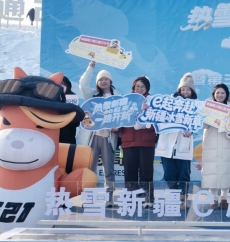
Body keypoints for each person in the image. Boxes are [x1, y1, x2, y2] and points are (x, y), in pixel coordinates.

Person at [79, 61, 119, 200]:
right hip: (92, 137)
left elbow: (121, 118)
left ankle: (109, 196)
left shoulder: (118, 97)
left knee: (109, 169)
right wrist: (90, 68)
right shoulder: (92, 95)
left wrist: (117, 127)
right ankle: (88, 196)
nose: (103, 81)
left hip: (109, 137)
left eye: (106, 79)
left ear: (110, 81)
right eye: (100, 79)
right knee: (90, 168)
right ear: (97, 82)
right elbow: (83, 84)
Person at [118, 76, 157, 206]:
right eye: (137, 86)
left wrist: (147, 114)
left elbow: (157, 123)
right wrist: (116, 127)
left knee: (146, 171)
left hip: (146, 142)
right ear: (133, 88)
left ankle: (148, 198)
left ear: (147, 88)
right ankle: (131, 198)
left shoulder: (153, 102)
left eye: (142, 86)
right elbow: (119, 120)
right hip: (128, 141)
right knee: (130, 171)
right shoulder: (126, 101)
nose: (139, 88)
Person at [157, 74, 196, 194]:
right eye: (183, 89)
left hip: (183, 145)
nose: (185, 92)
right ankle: (174, 193)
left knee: (184, 174)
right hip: (167, 144)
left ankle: (183, 196)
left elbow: (196, 123)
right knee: (169, 174)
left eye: (188, 89)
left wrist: (191, 130)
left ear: (192, 91)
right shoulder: (168, 102)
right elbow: (157, 117)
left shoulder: (196, 105)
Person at [201, 83, 230, 208]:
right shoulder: (207, 107)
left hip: (225, 141)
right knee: (211, 169)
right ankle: (213, 198)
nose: (220, 95)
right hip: (210, 141)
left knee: (226, 169)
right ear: (214, 94)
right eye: (218, 93)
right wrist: (208, 116)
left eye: (222, 93)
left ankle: (224, 197)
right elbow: (203, 125)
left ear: (226, 94)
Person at [58, 76, 79, 144]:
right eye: (58, 84)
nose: (60, 86)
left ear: (67, 86)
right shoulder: (49, 98)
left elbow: (77, 122)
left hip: (68, 137)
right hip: (53, 135)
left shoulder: (73, 98)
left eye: (62, 84)